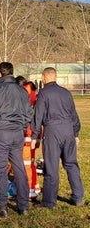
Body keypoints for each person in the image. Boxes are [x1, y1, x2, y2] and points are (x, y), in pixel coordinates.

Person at [0, 62, 32, 217]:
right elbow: (29, 113)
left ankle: (2, 206)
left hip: (1, 132)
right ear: (12, 72)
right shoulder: (22, 91)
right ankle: (23, 206)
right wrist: (22, 126)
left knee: (1, 169)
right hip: (17, 132)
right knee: (19, 168)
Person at [31, 67, 84, 208]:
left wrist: (35, 136)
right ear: (56, 76)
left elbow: (38, 116)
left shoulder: (43, 93)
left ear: (44, 77)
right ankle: (78, 197)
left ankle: (49, 202)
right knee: (71, 164)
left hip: (52, 131)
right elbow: (74, 115)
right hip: (68, 130)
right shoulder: (66, 93)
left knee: (51, 167)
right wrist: (76, 133)